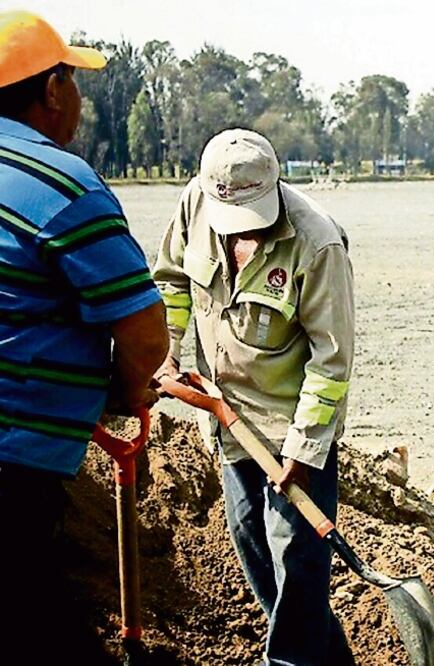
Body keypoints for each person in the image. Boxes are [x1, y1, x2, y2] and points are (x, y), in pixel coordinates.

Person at [0, 9, 168, 657]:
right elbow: (145, 332)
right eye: (72, 82)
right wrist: (128, 391)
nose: (77, 99)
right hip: (14, 468)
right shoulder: (63, 184)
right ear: (50, 90)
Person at [153, 128, 355, 665]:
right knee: (257, 556)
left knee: (298, 566)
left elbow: (332, 359)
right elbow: (172, 280)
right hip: (224, 418)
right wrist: (166, 348)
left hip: (289, 431)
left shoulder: (317, 243)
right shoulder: (196, 203)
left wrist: (304, 448)